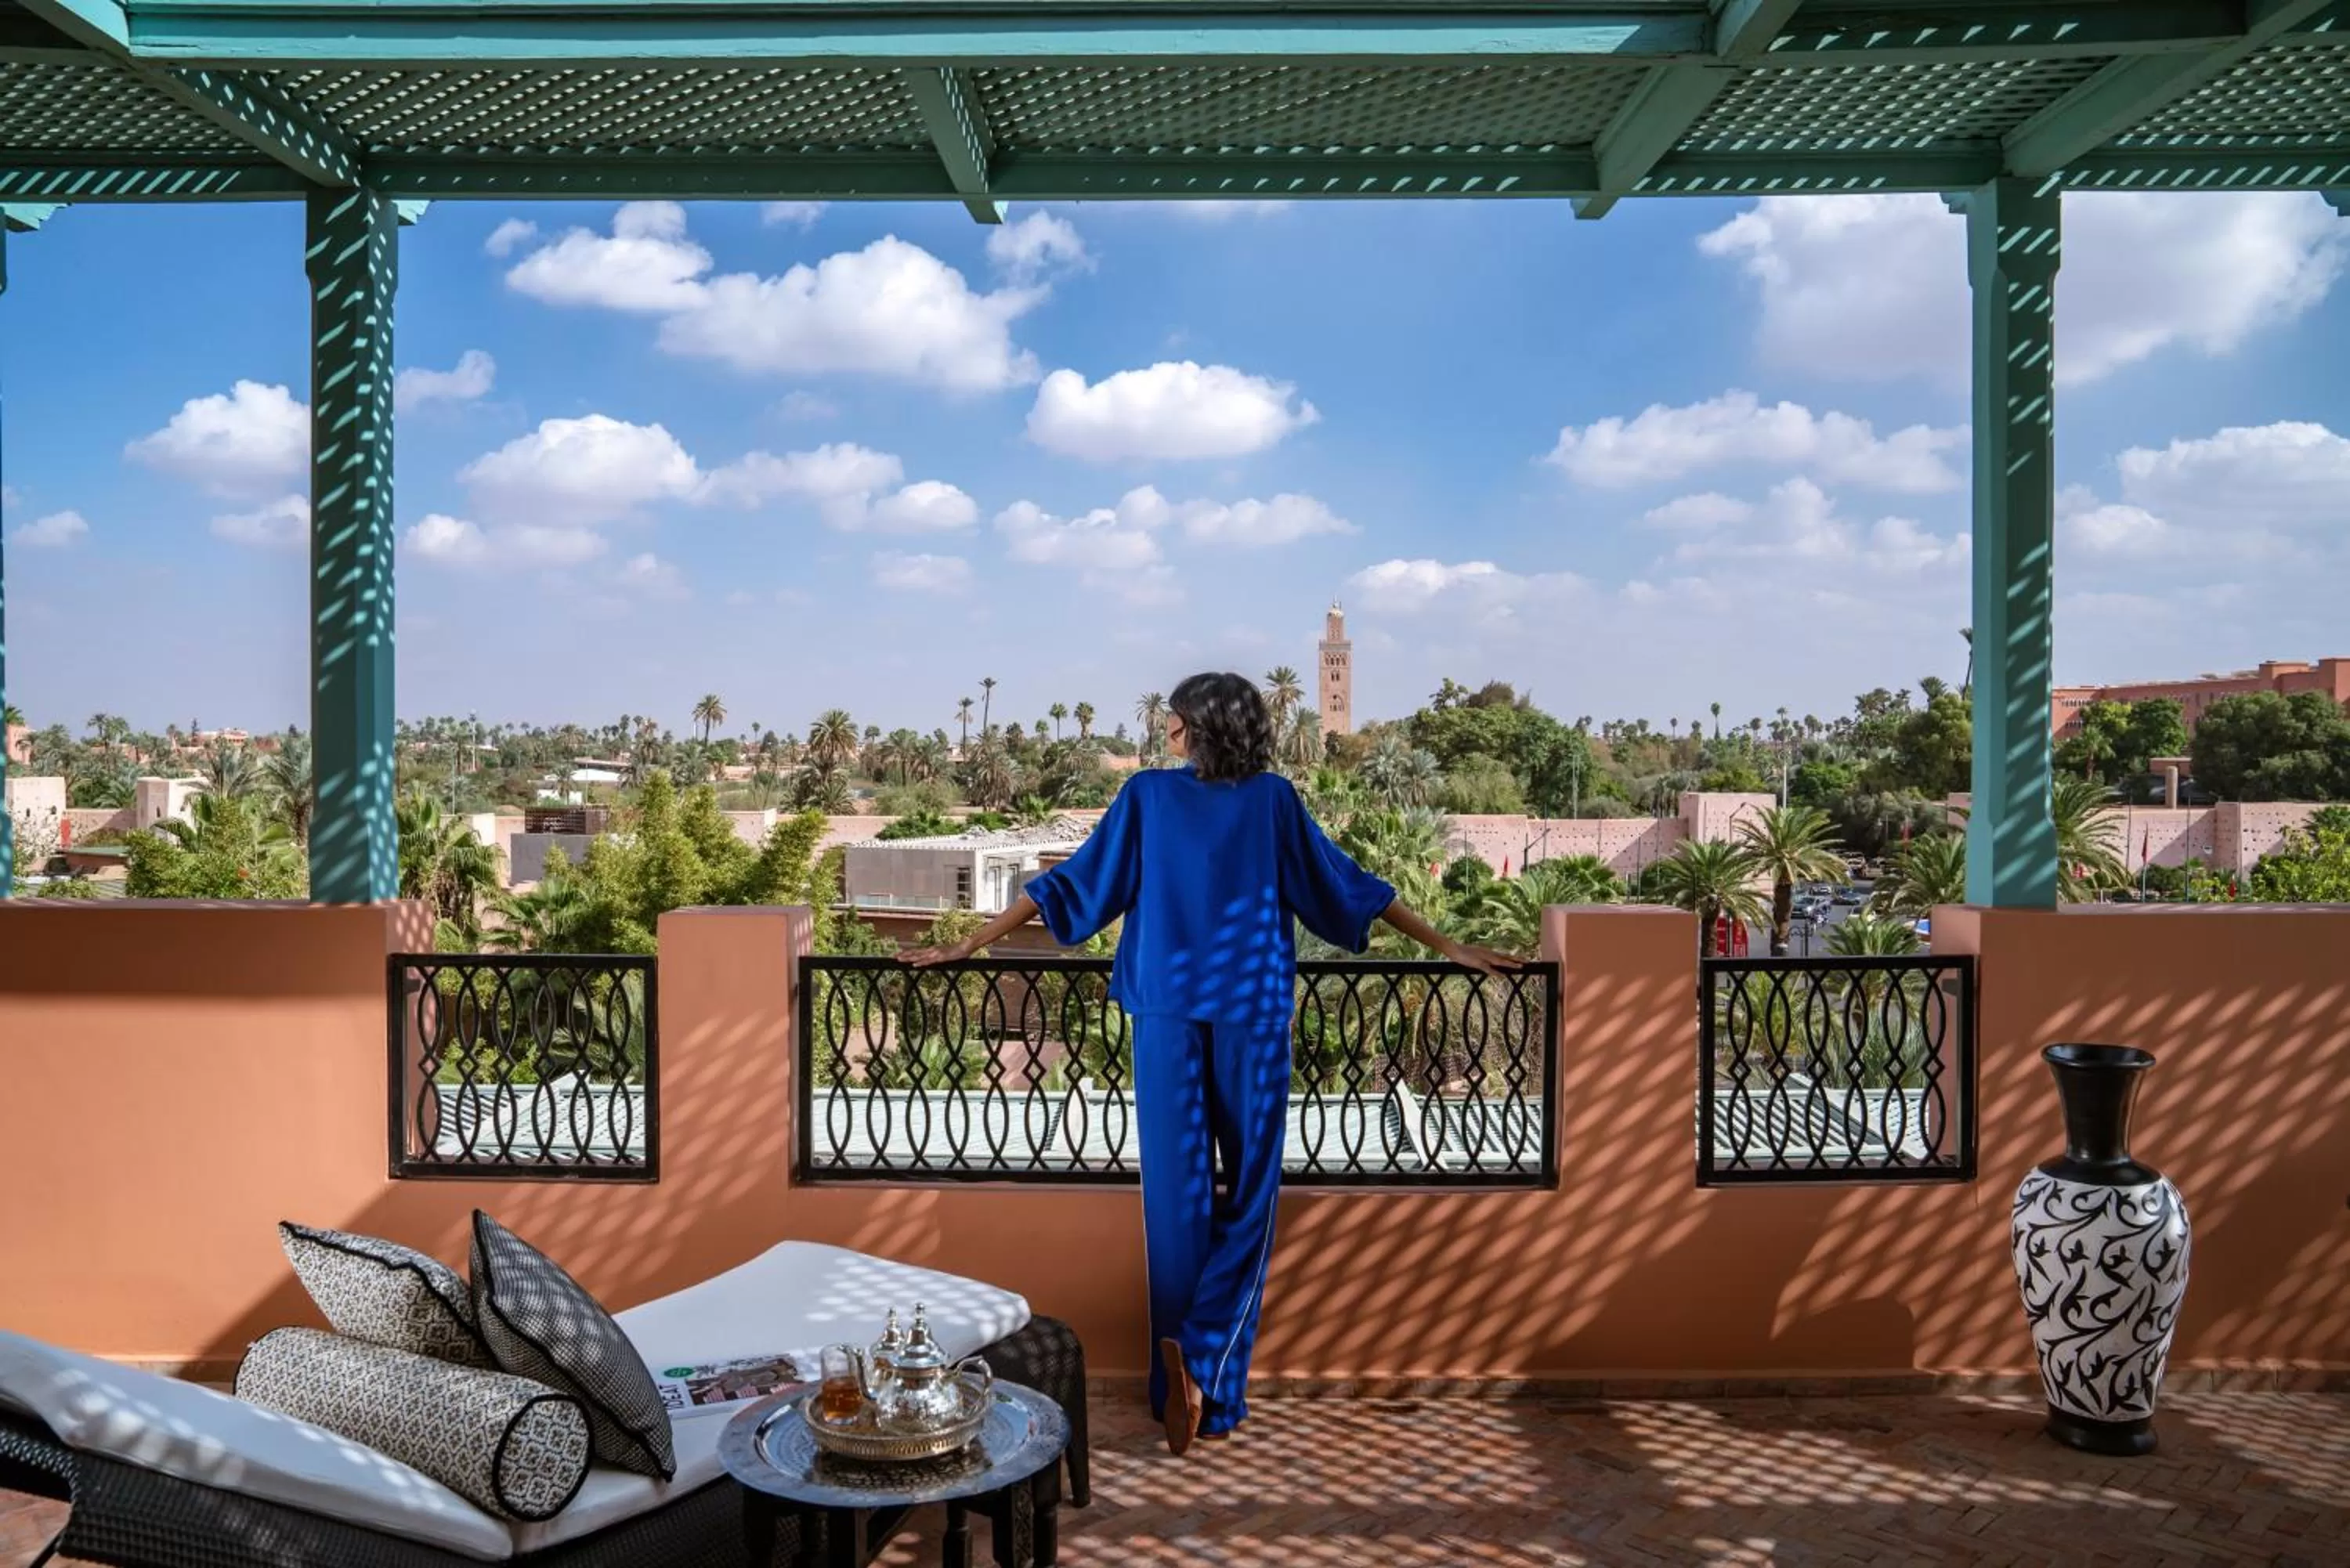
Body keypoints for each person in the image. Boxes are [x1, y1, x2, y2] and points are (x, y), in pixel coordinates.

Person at [905, 672, 1514, 1455]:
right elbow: (1348, 888)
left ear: (1201, 726)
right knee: (1251, 1201)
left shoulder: (1148, 801)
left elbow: (1071, 884)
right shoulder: (1271, 800)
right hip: (1252, 1015)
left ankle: (1180, 1390)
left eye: (1175, 721)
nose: (1167, 734)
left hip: (1164, 1013)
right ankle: (1205, 1371)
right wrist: (1448, 945)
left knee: (1175, 1205)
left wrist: (970, 943)